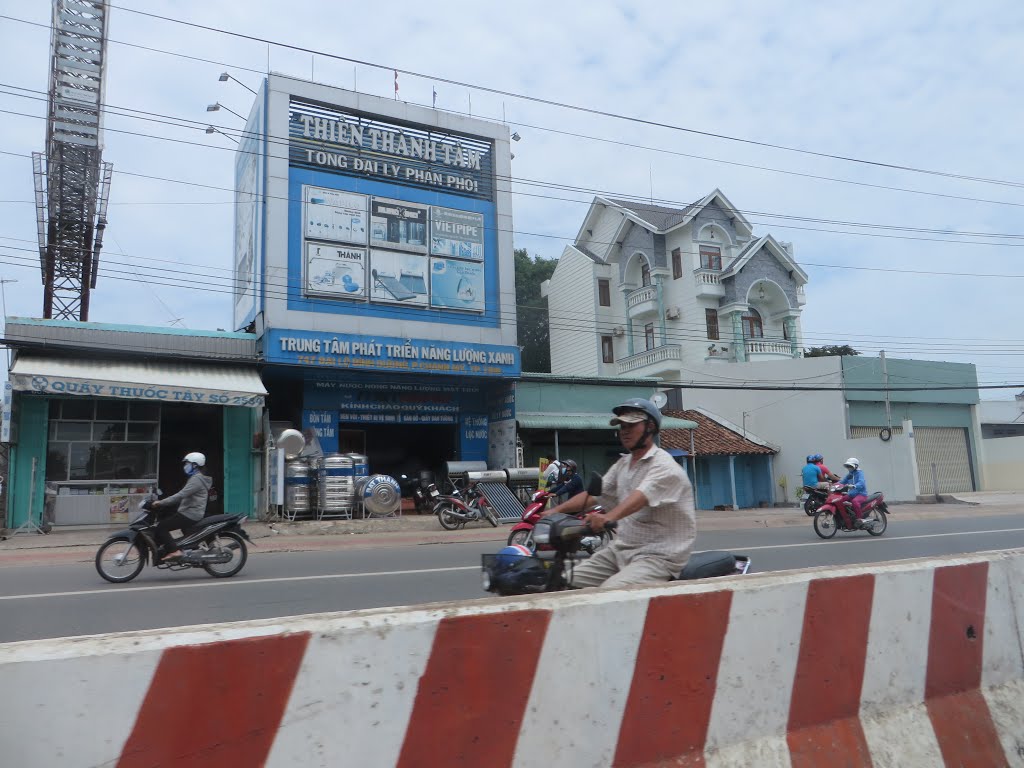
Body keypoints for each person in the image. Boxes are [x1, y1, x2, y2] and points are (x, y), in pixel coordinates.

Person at [543, 397, 696, 588]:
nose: (625, 431)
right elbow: (595, 494)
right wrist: (554, 512)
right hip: (621, 550)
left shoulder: (664, 467)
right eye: (622, 426)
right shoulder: (624, 464)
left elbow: (640, 497)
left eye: (631, 425)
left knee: (610, 592)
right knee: (564, 582)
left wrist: (607, 518)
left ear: (650, 427)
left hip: (658, 556)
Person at [151, 452, 213, 561]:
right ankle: (184, 552)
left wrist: (161, 502)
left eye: (188, 463)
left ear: (195, 465)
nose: (185, 466)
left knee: (161, 527)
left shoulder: (196, 480)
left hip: (190, 514)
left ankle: (175, 551)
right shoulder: (196, 478)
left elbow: (180, 495)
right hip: (189, 512)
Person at [839, 457, 869, 526]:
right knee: (840, 500)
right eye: (848, 466)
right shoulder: (850, 474)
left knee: (855, 502)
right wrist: (833, 485)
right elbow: (843, 481)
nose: (849, 467)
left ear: (855, 466)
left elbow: (861, 483)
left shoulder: (860, 473)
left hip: (861, 494)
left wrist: (855, 486)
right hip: (852, 493)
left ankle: (859, 519)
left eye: (850, 466)